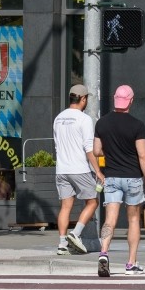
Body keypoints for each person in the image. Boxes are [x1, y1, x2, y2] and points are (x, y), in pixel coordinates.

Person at [94, 85, 145, 276]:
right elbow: (143, 155)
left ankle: (103, 252)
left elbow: (96, 151)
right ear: (131, 100)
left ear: (115, 99)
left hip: (111, 177)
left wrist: (112, 152)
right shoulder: (137, 125)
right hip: (133, 178)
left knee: (110, 220)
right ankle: (131, 263)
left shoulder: (101, 123)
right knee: (134, 220)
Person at [54, 84, 105, 256]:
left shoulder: (58, 118)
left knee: (65, 206)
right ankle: (75, 234)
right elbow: (88, 149)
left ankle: (62, 244)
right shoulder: (84, 119)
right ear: (83, 99)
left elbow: (56, 145)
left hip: (61, 169)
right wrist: (97, 171)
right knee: (93, 202)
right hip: (79, 168)